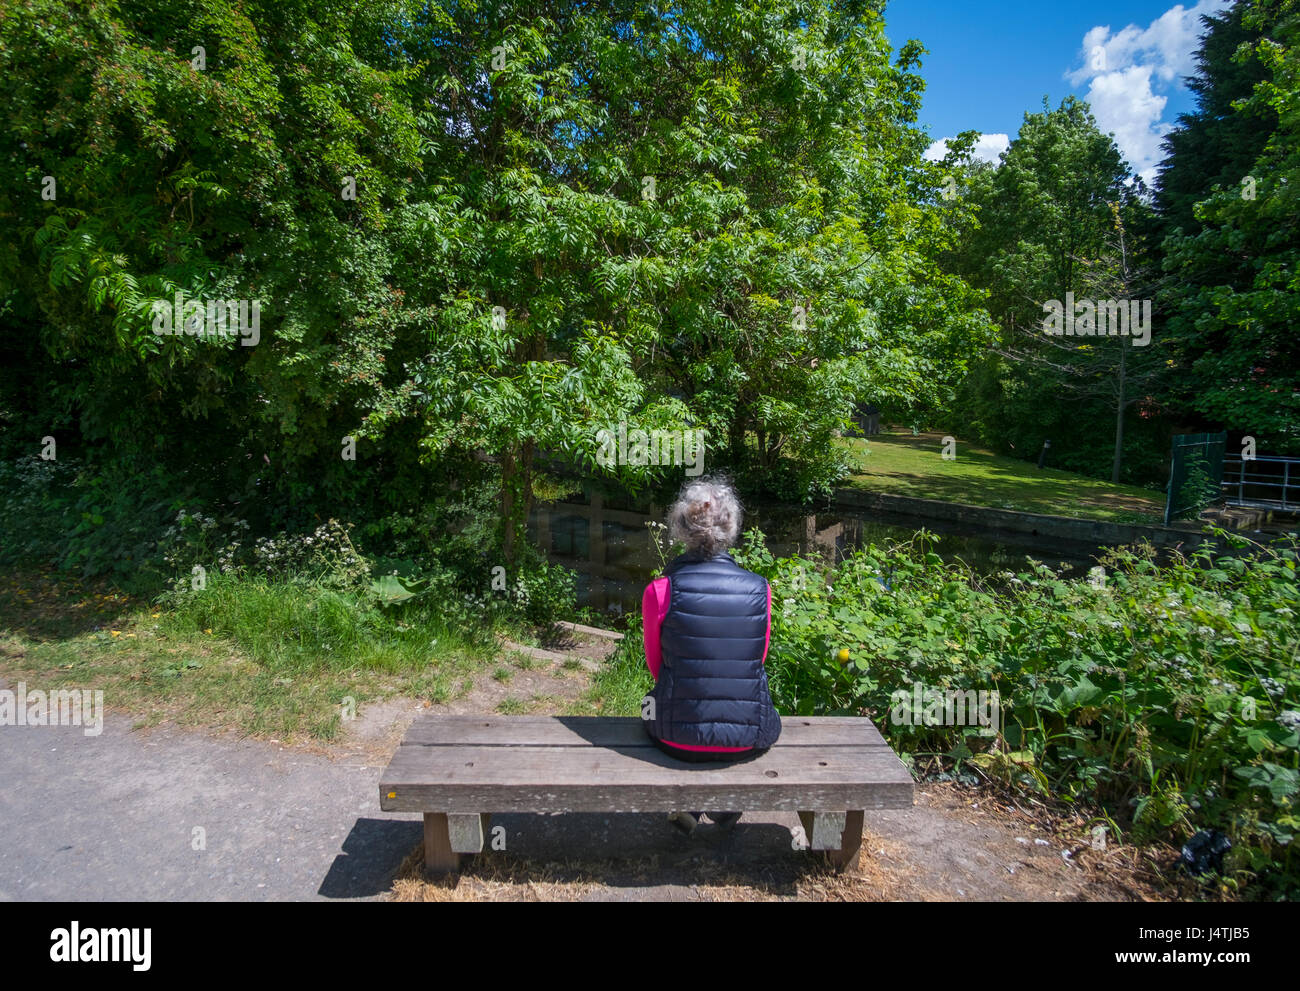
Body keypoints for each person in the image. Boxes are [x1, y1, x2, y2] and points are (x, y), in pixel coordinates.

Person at [641, 476, 782, 835]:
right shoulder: (759, 589)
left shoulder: (660, 590)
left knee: (652, 705)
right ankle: (721, 807)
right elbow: (757, 660)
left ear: (682, 528)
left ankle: (697, 807)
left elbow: (657, 666)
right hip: (750, 738)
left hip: (676, 738)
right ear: (731, 527)